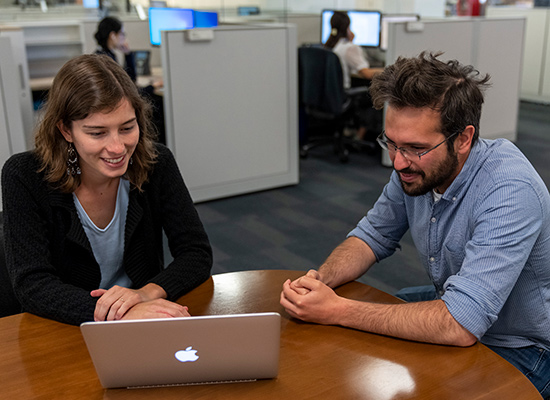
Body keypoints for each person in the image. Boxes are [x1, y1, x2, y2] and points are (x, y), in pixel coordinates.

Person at [280, 51, 550, 397]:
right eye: (391, 143)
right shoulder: (417, 168)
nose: (398, 162)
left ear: (463, 139)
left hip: (524, 347)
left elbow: (459, 324)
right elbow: (372, 235)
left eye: (414, 148)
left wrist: (337, 310)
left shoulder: (510, 191)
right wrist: (319, 281)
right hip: (455, 302)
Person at [1, 54, 213, 326]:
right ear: (66, 130)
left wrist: (144, 294)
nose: (117, 147)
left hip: (144, 317)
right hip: (66, 326)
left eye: (127, 127)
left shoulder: (156, 163)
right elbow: (32, 285)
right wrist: (118, 314)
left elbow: (196, 252)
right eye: (97, 133)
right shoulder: (25, 175)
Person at [94, 16, 165, 143]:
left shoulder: (105, 56)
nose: (124, 38)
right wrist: (153, 86)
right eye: (122, 34)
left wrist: (127, 54)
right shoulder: (105, 61)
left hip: (114, 107)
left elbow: (129, 82)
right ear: (113, 36)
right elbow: (129, 92)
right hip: (114, 109)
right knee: (156, 103)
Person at [324, 11, 384, 141]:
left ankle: (350, 129)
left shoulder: (329, 45)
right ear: (347, 27)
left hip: (328, 95)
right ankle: (359, 135)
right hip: (343, 95)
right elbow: (367, 74)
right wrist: (389, 69)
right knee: (377, 95)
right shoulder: (349, 47)